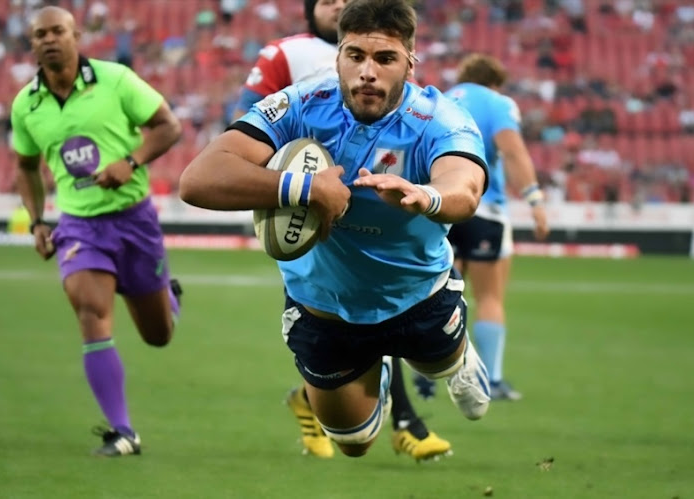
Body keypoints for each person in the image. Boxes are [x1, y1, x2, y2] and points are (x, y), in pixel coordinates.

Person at [180, 0, 491, 458]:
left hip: (417, 298)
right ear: (338, 56)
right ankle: (379, 376)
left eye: (385, 59)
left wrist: (426, 197)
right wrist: (302, 188)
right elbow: (198, 179)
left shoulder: (440, 119)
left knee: (445, 366)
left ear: (409, 62)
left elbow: (464, 188)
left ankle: (460, 358)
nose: (368, 71)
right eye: (356, 55)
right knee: (353, 443)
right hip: (323, 309)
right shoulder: (301, 103)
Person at [10, 6, 183, 457]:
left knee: (158, 335)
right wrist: (37, 221)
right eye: (40, 34)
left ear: (76, 35)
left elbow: (169, 127)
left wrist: (130, 162)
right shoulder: (24, 105)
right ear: (31, 43)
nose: (49, 39)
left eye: (58, 31)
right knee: (91, 312)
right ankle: (123, 431)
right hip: (79, 225)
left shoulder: (116, 80)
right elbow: (26, 168)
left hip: (134, 220)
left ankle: (169, 298)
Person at [414, 54, 549, 402]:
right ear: (495, 81)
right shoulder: (497, 103)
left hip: (442, 206)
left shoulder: (439, 100)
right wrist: (534, 200)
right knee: (489, 297)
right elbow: (513, 151)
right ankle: (491, 380)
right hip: (484, 208)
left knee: (437, 295)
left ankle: (427, 375)